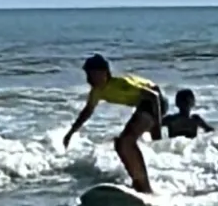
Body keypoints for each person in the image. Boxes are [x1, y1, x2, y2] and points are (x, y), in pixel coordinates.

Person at [63, 55, 165, 195]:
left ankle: (145, 187)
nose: (89, 79)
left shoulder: (121, 83)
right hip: (143, 105)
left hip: (155, 103)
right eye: (87, 75)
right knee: (120, 143)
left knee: (126, 141)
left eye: (92, 74)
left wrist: (157, 128)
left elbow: (154, 96)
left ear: (104, 72)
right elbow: (87, 112)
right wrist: (71, 132)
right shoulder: (97, 92)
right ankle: (138, 182)